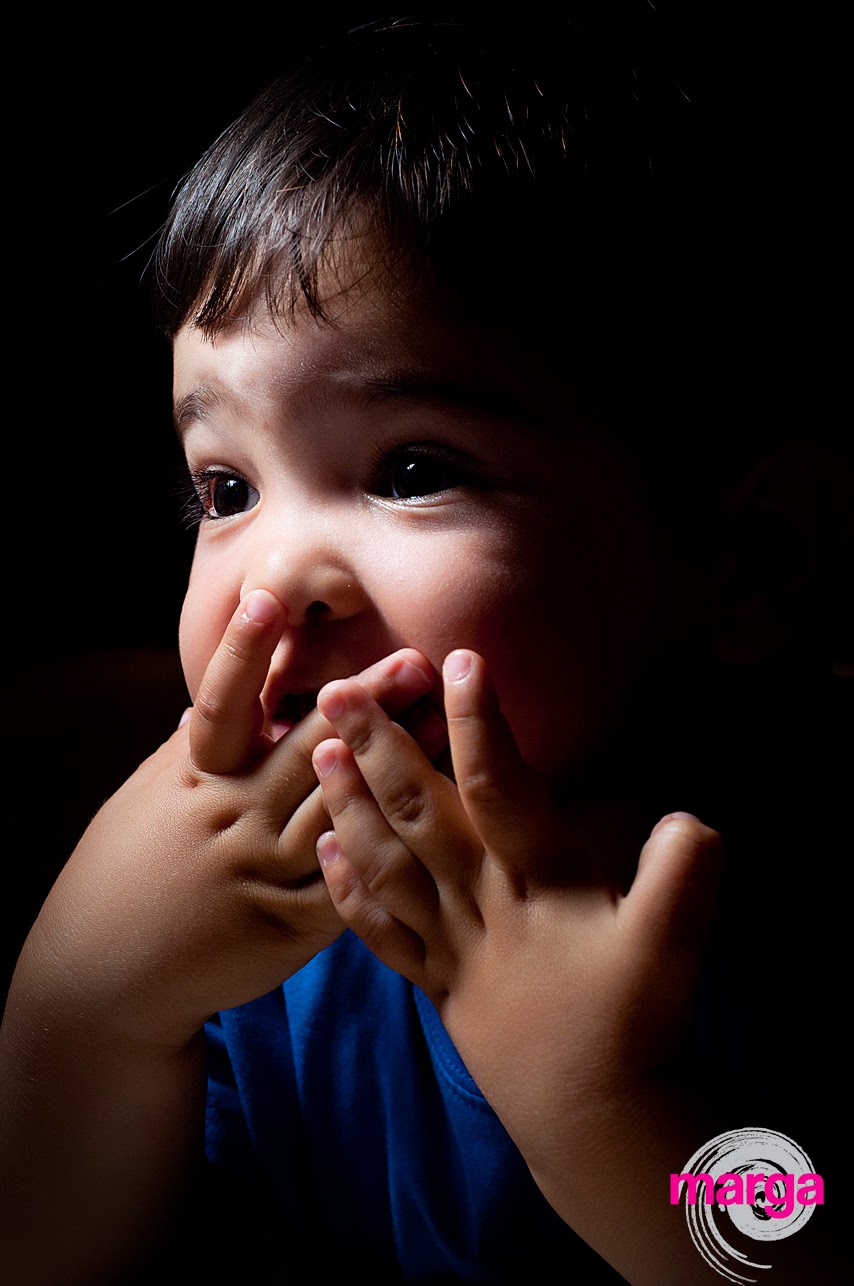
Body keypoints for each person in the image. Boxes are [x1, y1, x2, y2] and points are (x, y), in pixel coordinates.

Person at [1, 14, 848, 1284]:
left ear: (747, 564)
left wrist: (606, 1107)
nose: (271, 584)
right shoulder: (263, 926)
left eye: (409, 469)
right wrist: (81, 1009)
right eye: (224, 488)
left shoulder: (785, 914)